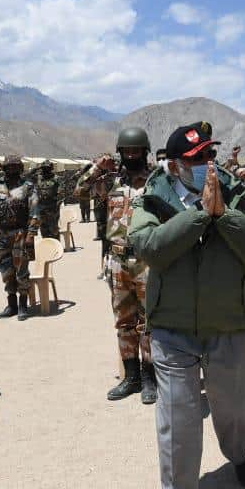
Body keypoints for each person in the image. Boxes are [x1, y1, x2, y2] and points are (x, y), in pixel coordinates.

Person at [128, 121, 245, 489]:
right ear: (175, 165)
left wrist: (224, 216)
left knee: (234, 406)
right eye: (195, 160)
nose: (205, 166)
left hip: (228, 324)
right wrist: (198, 216)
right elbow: (148, 247)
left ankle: (238, 455)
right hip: (172, 330)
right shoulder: (154, 195)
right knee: (176, 420)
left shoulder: (236, 192)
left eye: (208, 157)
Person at [85, 128, 157, 402]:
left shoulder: (156, 181)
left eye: (135, 151)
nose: (130, 156)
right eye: (126, 151)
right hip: (117, 261)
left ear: (144, 151)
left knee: (149, 321)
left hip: (146, 260)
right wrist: (95, 167)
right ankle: (131, 377)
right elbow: (79, 190)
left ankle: (151, 378)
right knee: (124, 321)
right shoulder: (112, 182)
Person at [0, 154, 39, 320]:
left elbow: (35, 212)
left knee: (21, 270)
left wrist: (31, 234)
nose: (12, 170)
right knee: (6, 270)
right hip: (3, 234)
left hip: (21, 233)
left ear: (20, 169)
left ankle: (23, 305)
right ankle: (11, 304)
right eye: (9, 167)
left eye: (15, 167)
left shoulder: (28, 186)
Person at [35, 160, 62, 240]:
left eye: (47, 168)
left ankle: (56, 247)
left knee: (54, 230)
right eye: (43, 168)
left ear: (51, 168)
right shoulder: (38, 178)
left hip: (52, 208)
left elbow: (61, 192)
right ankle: (47, 247)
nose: (45, 170)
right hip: (41, 208)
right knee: (43, 229)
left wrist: (57, 203)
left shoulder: (56, 178)